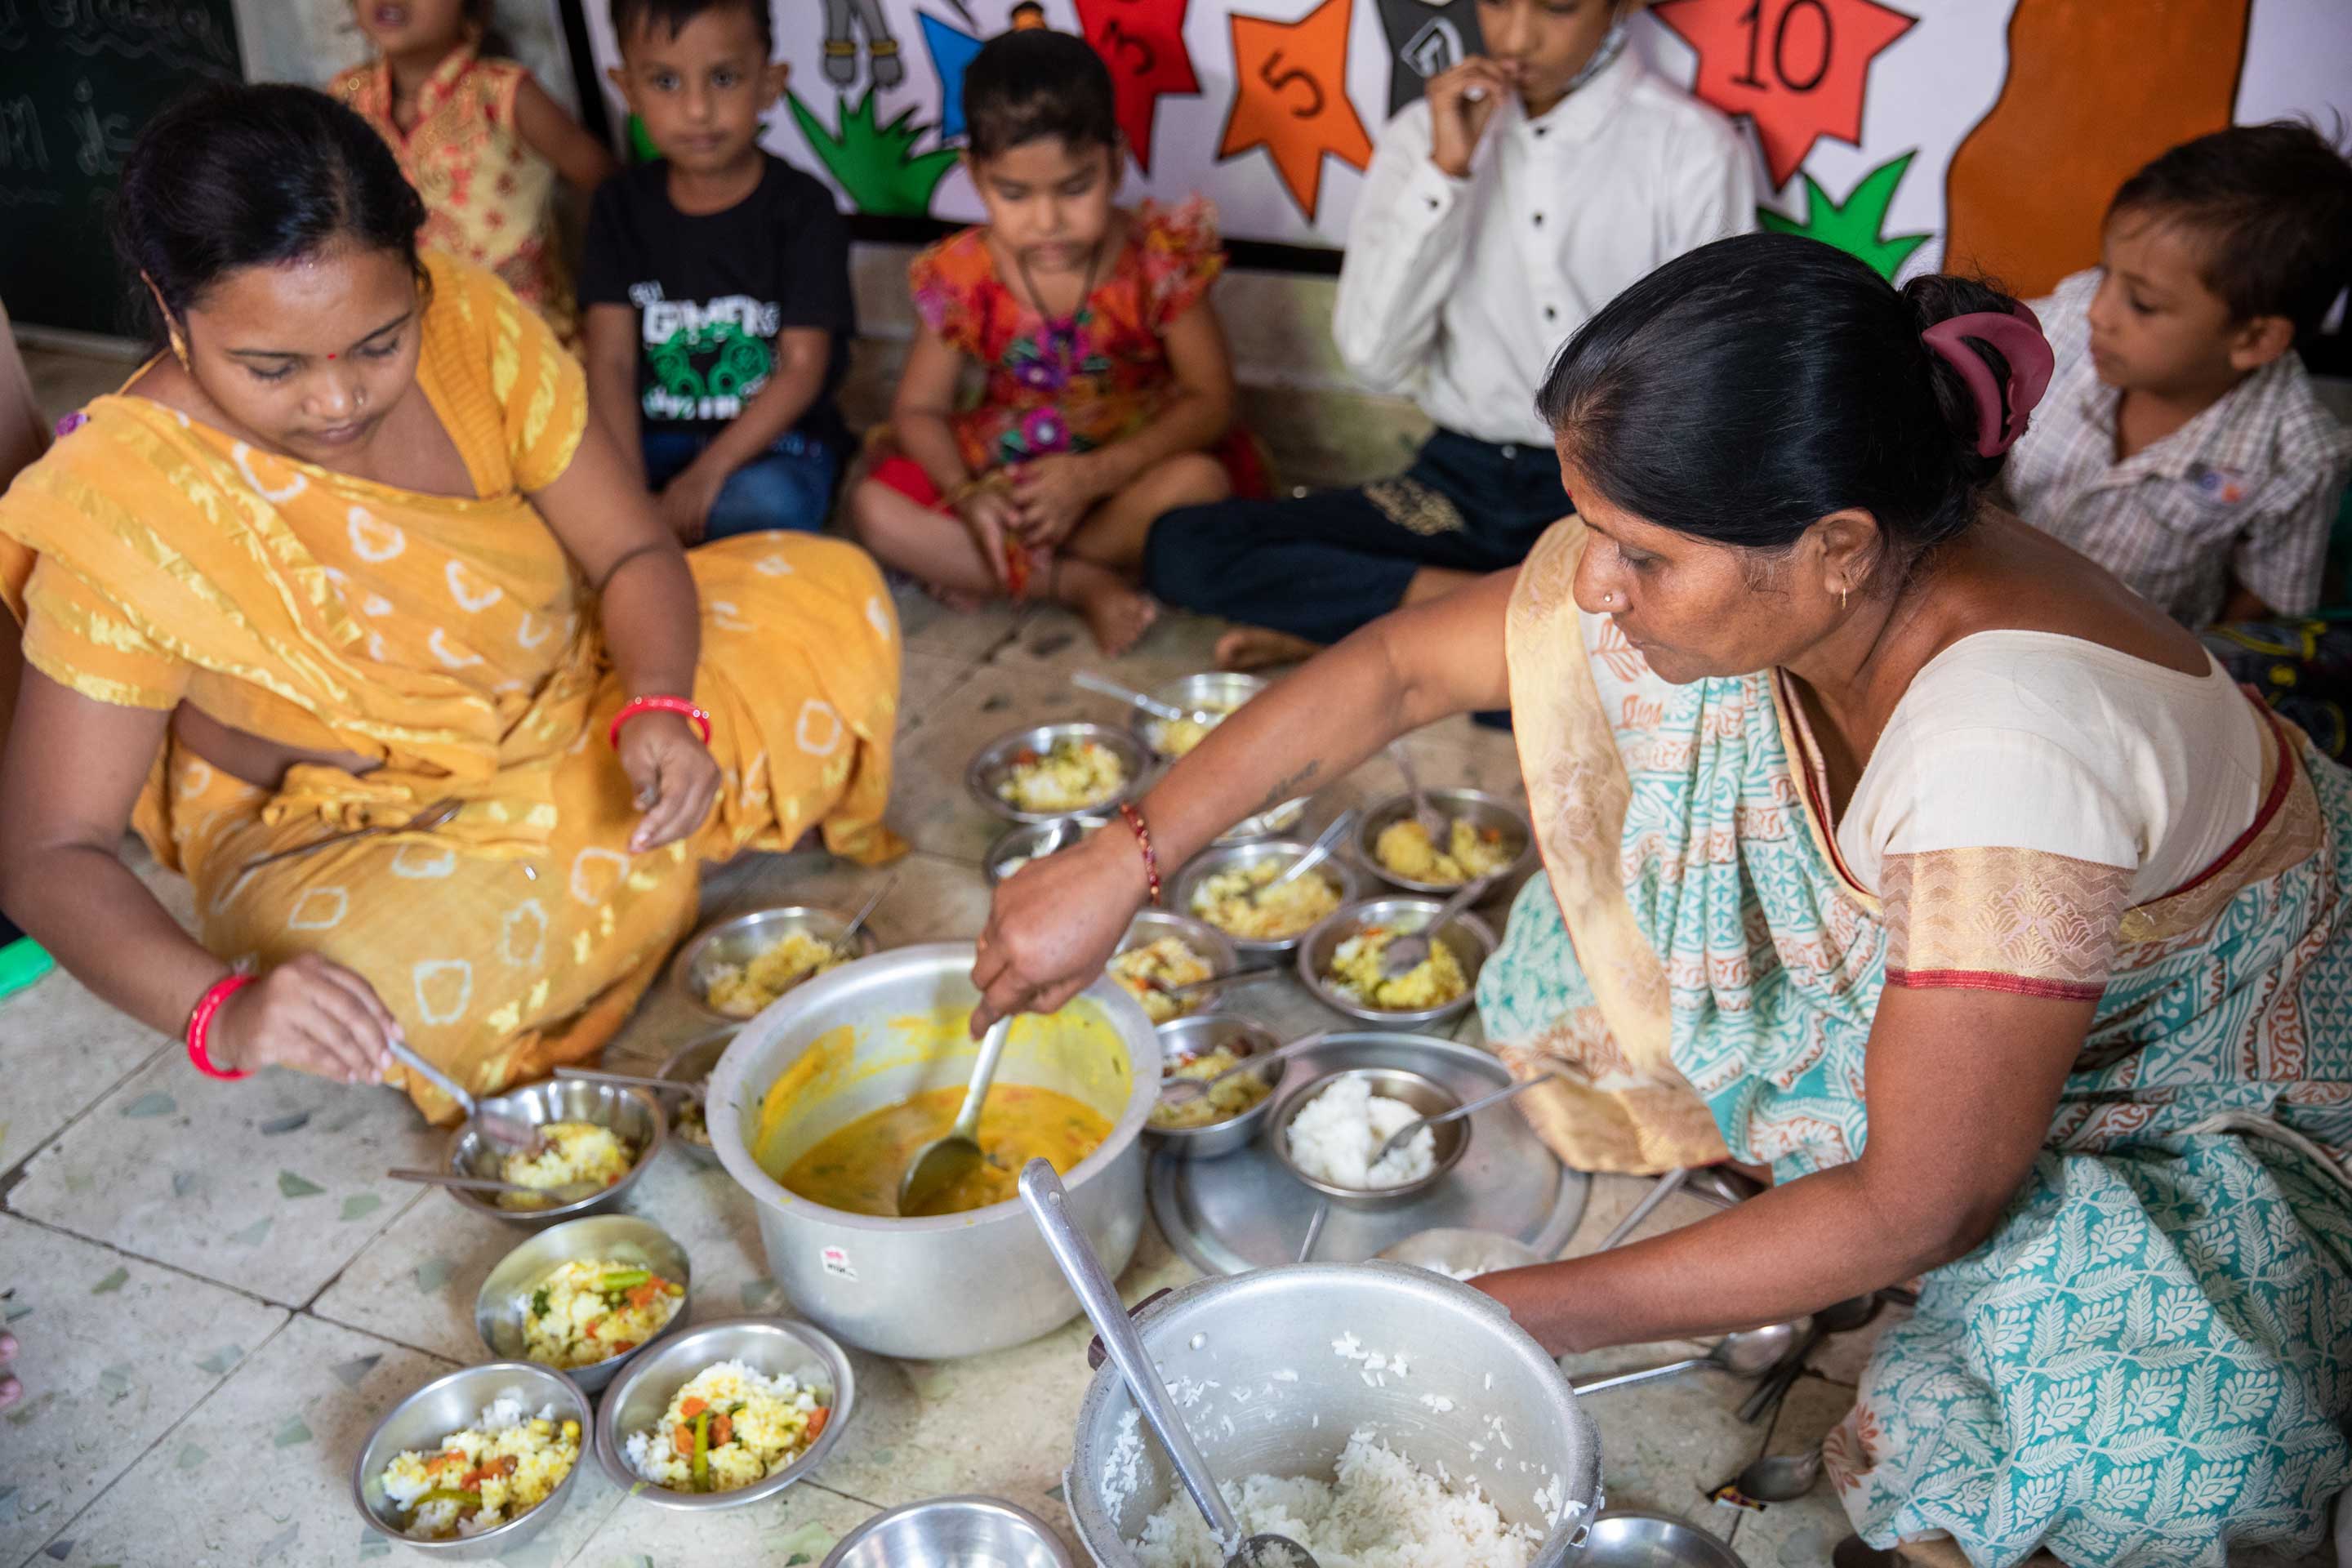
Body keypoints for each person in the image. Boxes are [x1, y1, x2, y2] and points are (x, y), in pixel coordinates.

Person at [972, 234, 2352, 1565]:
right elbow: (1400, 670)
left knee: (2140, 1429)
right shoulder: (1816, 580)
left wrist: (1495, 1315)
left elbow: (1928, 1209)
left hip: (2192, 1070)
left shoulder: (2007, 744)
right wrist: (1117, 862)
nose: (1599, 590)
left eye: (1643, 554)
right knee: (1567, 974)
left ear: (1837, 547)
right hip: (1984, 948)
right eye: (1592, 533)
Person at [0, 86, 902, 1120]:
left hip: (581, 703)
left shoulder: (474, 328)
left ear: (420, 271)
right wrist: (226, 1012)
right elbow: (51, 854)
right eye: (272, 366)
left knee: (833, 594)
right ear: (170, 309)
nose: (337, 402)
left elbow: (634, 551)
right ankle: (645, 868)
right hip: (354, 825)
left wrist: (660, 702)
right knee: (369, 983)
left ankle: (606, 876)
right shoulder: (130, 501)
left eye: (379, 344)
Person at [1142, 0, 1753, 671]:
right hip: (1457, 488)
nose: (1516, 37)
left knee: (1693, 629)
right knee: (1182, 548)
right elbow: (1374, 360)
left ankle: (1384, 630)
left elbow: (1707, 388)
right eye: (1495, 2)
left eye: (1558, 8)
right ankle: (1491, 623)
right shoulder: (1422, 138)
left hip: (1610, 496)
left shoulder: (1690, 149)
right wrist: (1446, 174)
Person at [847, 27, 1259, 657]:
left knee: (1200, 484)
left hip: (1124, 471)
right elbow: (918, 409)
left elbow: (1211, 399)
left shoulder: (1158, 260)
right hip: (1005, 479)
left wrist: (1093, 476)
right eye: (1014, 195)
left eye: (1075, 188)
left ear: (1116, 161)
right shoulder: (963, 275)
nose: (1047, 222)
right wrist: (968, 495)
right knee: (875, 509)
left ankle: (995, 570)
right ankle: (1076, 582)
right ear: (976, 177)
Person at [2003, 122, 2352, 628]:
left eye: (2142, 304)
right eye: (2106, 273)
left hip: (2135, 650)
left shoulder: (2297, 458)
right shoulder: (2058, 326)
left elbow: (2259, 600)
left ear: (2254, 340)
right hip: (1988, 597)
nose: (2099, 311)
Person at [582, 0, 858, 546]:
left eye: (724, 78)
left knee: (769, 504)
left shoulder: (803, 208)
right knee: (557, 496)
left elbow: (803, 368)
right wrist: (629, 493)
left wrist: (707, 475)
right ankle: (659, 533)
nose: (698, 110)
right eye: (665, 81)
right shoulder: (619, 207)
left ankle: (665, 539)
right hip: (653, 444)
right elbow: (609, 361)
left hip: (773, 447)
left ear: (770, 83)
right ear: (627, 90)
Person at [331, 0, 615, 344]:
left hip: (530, 349)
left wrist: (595, 289)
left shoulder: (503, 94)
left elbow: (608, 186)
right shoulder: (345, 101)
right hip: (420, 356)